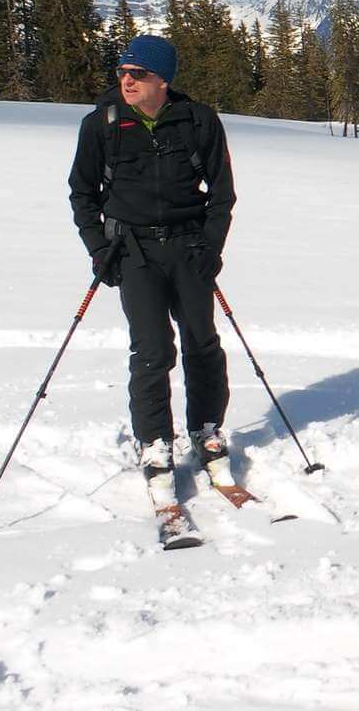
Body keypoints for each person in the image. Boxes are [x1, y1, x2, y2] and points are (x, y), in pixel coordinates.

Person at [67, 34, 237, 501]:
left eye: (138, 73)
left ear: (163, 79)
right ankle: (155, 441)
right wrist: (98, 248)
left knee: (202, 342)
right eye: (122, 72)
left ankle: (206, 428)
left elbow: (222, 193)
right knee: (152, 350)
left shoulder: (198, 121)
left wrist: (211, 246)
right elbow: (82, 194)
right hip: (133, 252)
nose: (127, 80)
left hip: (188, 248)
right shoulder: (101, 124)